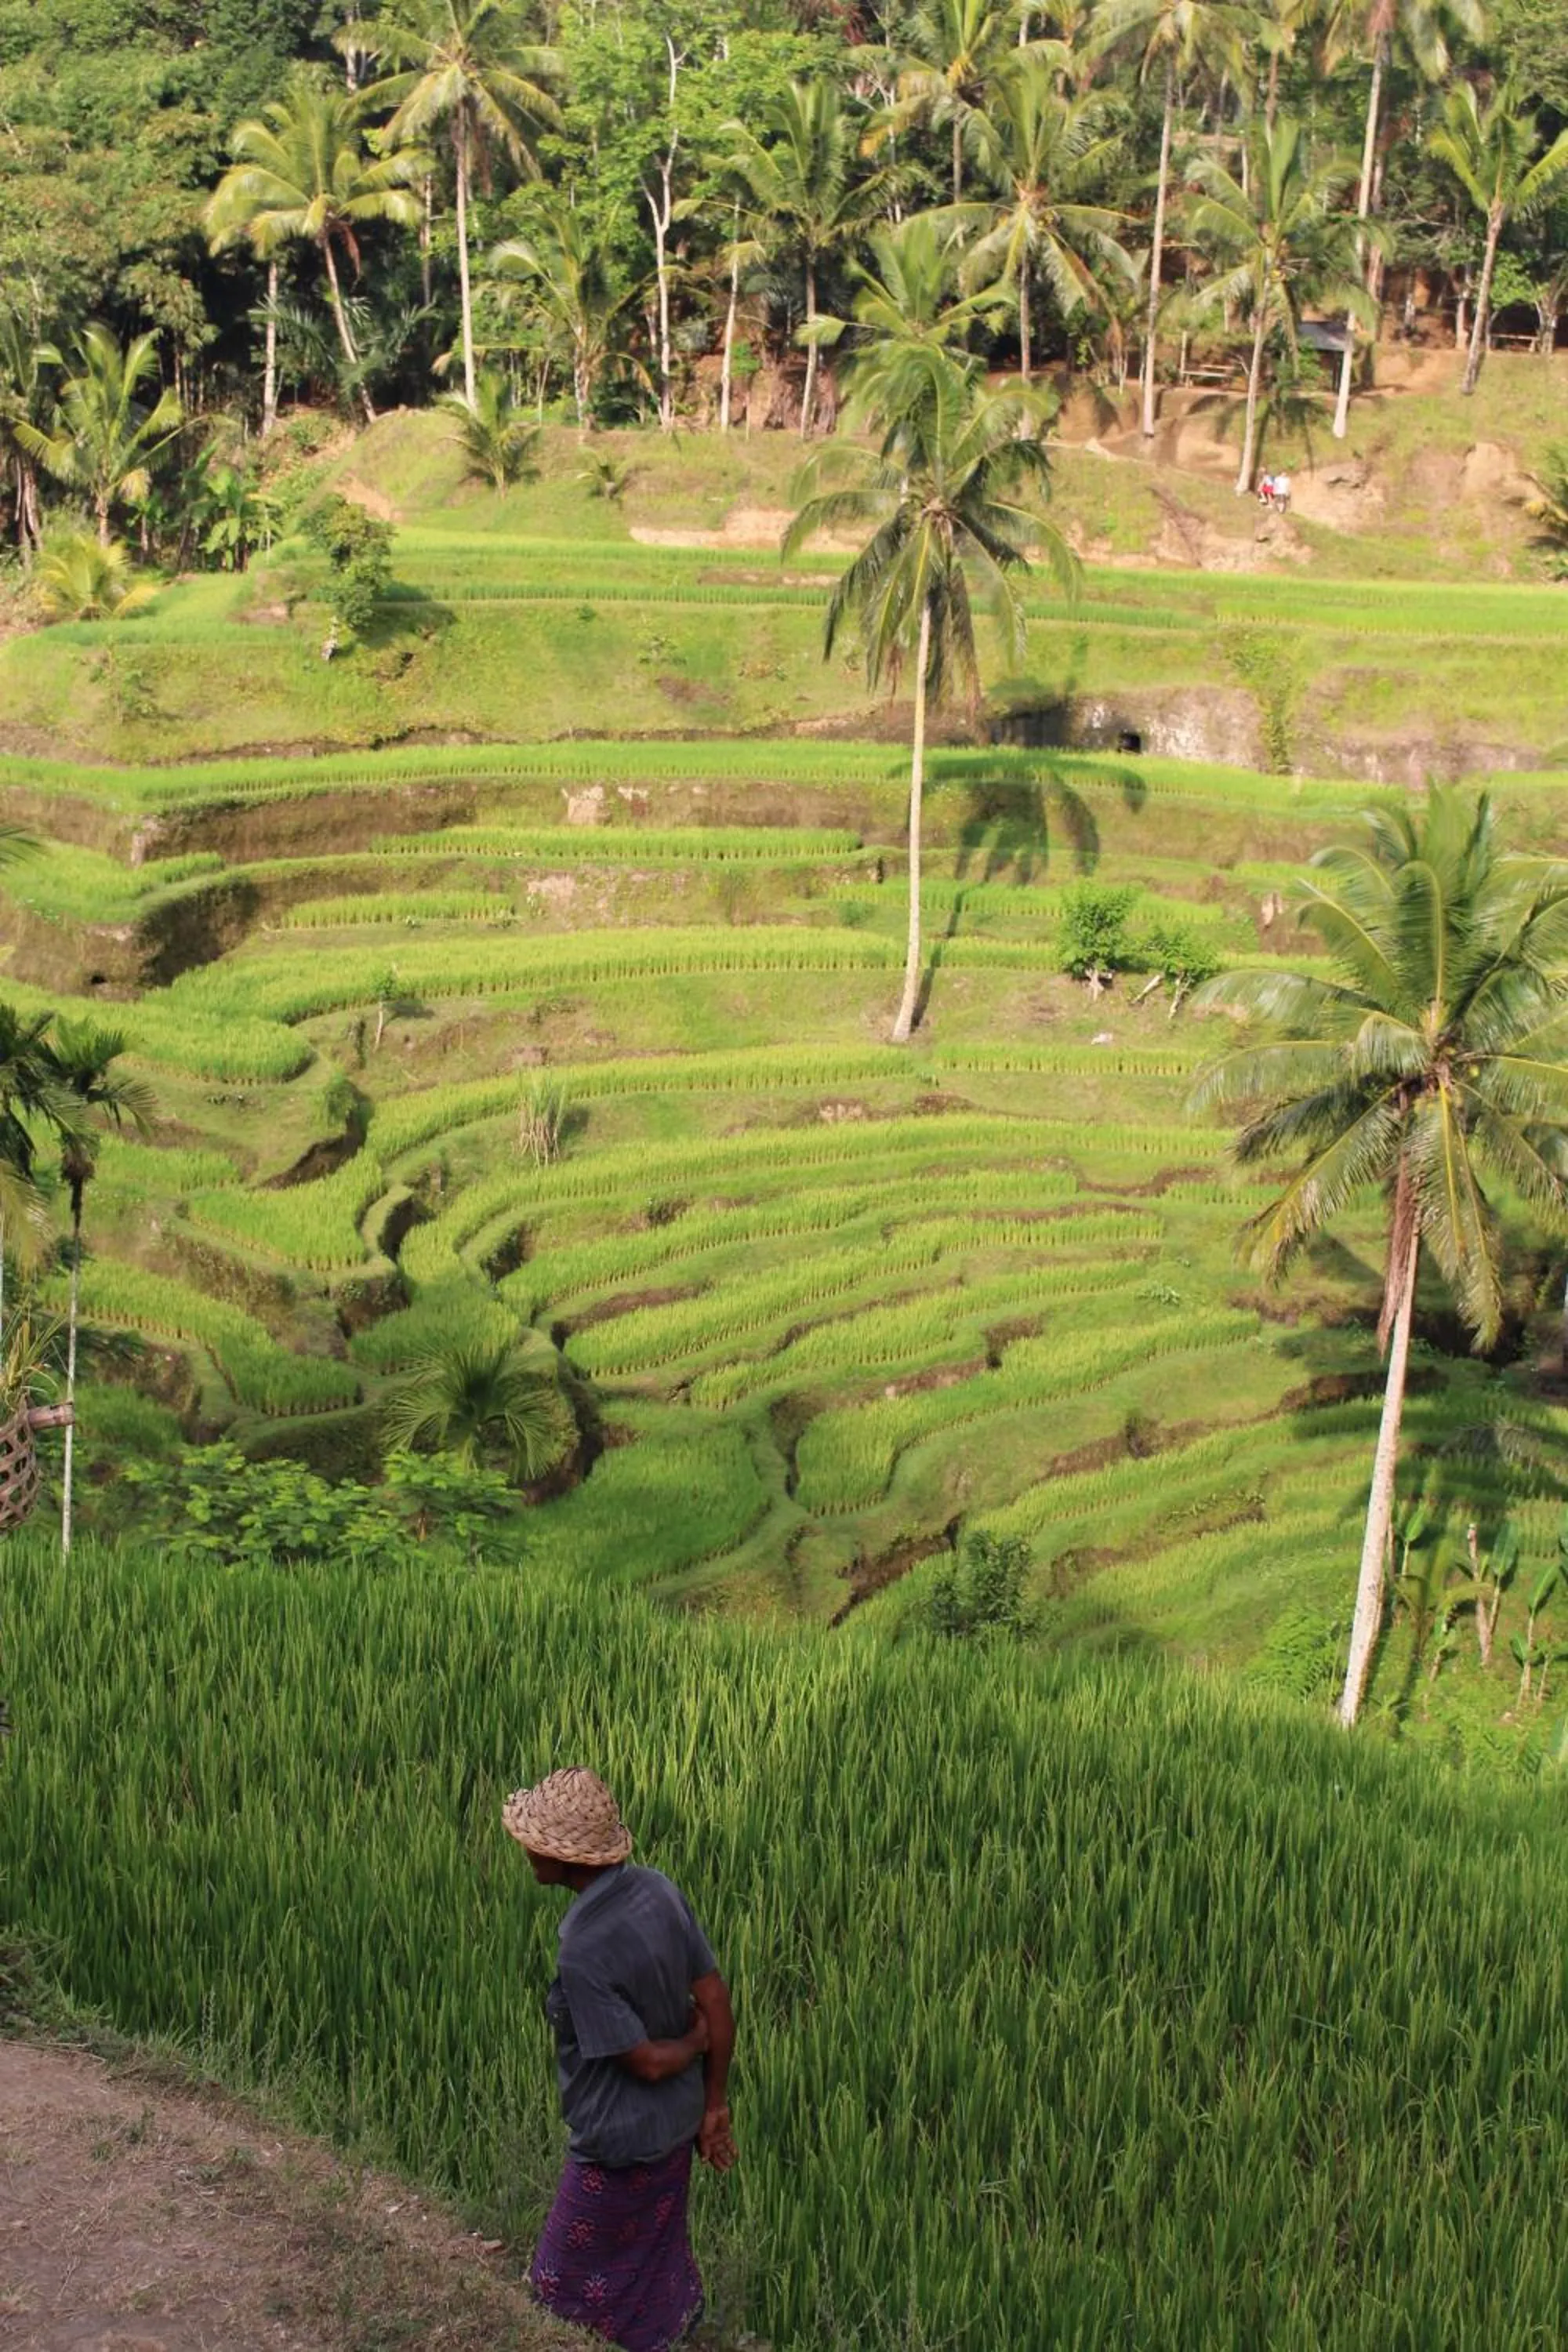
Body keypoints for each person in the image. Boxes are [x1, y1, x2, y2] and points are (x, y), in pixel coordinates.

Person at [503, 1766, 736, 2352]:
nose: (525, 1848)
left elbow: (648, 2063)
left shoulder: (582, 1951)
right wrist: (713, 2108)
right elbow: (715, 1999)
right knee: (653, 2271)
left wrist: (693, 2045)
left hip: (617, 2147)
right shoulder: (659, 1888)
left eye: (536, 1842)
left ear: (569, 1861)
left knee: (555, 2294)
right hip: (673, 2133)